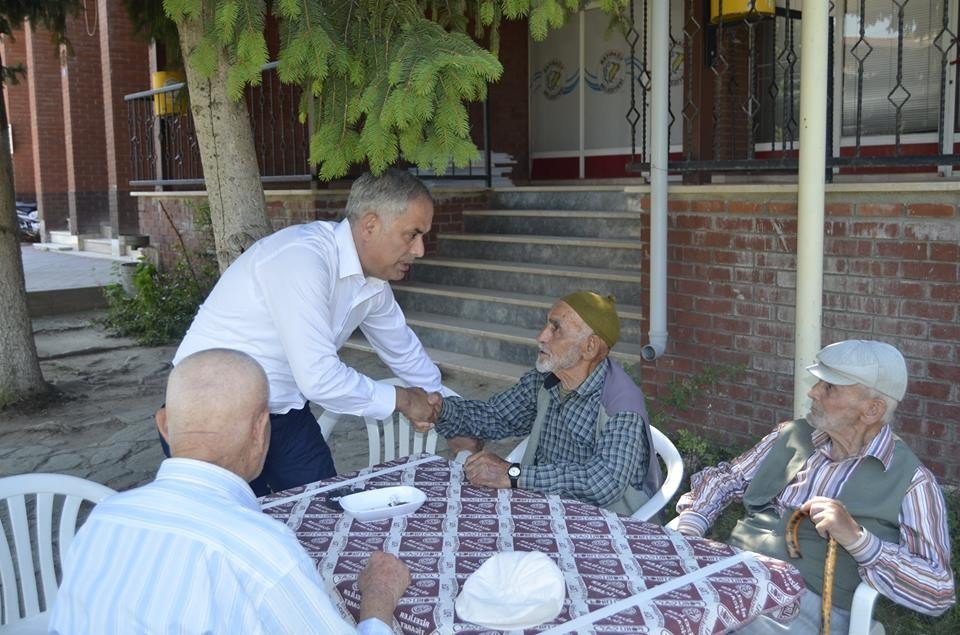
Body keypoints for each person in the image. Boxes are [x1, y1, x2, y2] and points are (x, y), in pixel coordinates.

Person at [50, 349, 410, 634]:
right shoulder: (261, 549)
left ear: (164, 425)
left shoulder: (103, 518)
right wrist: (378, 597)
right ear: (261, 430)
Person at [170, 169, 443, 495]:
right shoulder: (302, 257)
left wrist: (450, 413)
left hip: (284, 411)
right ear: (370, 225)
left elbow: (405, 352)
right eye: (411, 235)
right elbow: (320, 378)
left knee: (324, 514)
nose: (420, 250)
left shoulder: (373, 284)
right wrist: (403, 399)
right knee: (233, 528)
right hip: (209, 416)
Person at [673, 340, 955, 633]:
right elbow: (726, 478)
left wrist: (860, 540)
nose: (813, 392)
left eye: (829, 387)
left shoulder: (913, 482)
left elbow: (938, 591)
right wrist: (690, 528)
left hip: (804, 604)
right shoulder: (792, 435)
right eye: (819, 382)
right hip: (733, 574)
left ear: (872, 409)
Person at [422, 291, 661, 515]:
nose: (541, 337)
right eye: (547, 325)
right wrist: (440, 410)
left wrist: (513, 475)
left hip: (607, 527)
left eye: (556, 329)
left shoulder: (620, 403)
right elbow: (496, 416)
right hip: (545, 511)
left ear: (589, 347)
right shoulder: (547, 379)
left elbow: (602, 482)